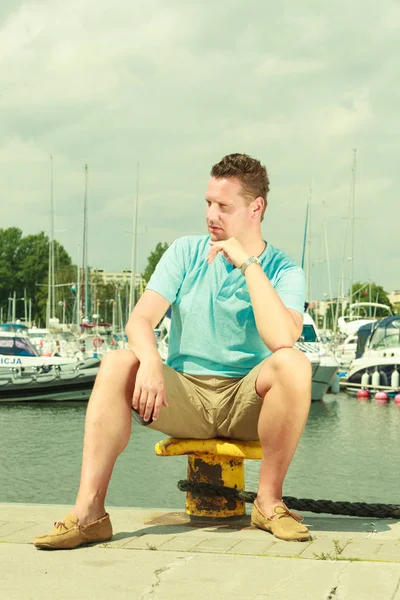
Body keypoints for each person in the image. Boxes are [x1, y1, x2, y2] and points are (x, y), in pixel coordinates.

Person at [33, 153, 312, 550]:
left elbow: (281, 339)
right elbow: (139, 321)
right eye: (208, 203)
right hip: (186, 398)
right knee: (117, 362)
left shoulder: (285, 270)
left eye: (224, 206)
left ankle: (268, 503)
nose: (211, 215)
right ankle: (89, 513)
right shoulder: (185, 252)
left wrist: (250, 265)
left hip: (248, 403)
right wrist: (149, 361)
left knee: (293, 363)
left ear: (256, 207)